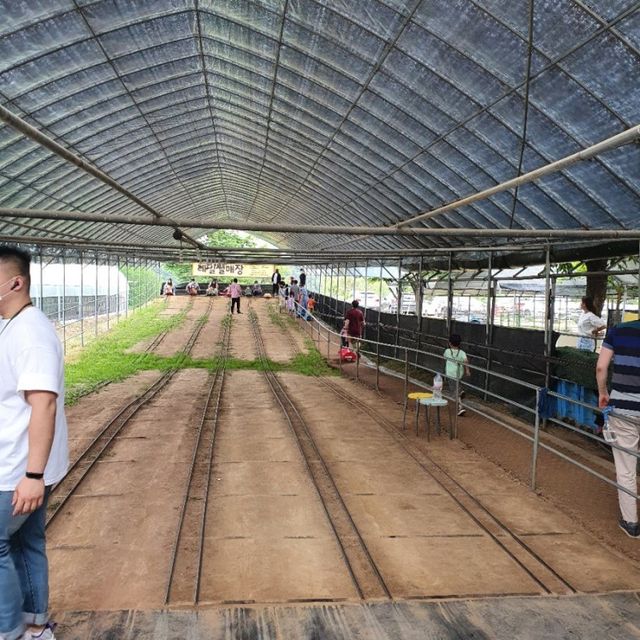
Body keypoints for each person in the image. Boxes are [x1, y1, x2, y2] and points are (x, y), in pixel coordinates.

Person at [0, 246, 68, 640]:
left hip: (17, 470)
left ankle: (8, 630)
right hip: (22, 466)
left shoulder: (31, 332)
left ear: (15, 282)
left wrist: (32, 475)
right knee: (27, 543)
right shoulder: (15, 324)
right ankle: (35, 627)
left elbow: (43, 405)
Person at [596, 317, 640, 538]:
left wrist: (603, 393)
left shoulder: (618, 331)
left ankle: (631, 523)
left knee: (626, 468)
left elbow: (601, 367)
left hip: (623, 408)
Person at [444, 334, 471, 417]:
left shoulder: (447, 351)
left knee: (455, 392)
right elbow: (466, 361)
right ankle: (460, 391)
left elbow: (444, 357)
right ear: (459, 344)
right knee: (457, 386)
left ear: (449, 343)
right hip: (459, 374)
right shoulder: (462, 353)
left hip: (450, 374)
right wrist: (467, 370)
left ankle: (461, 407)